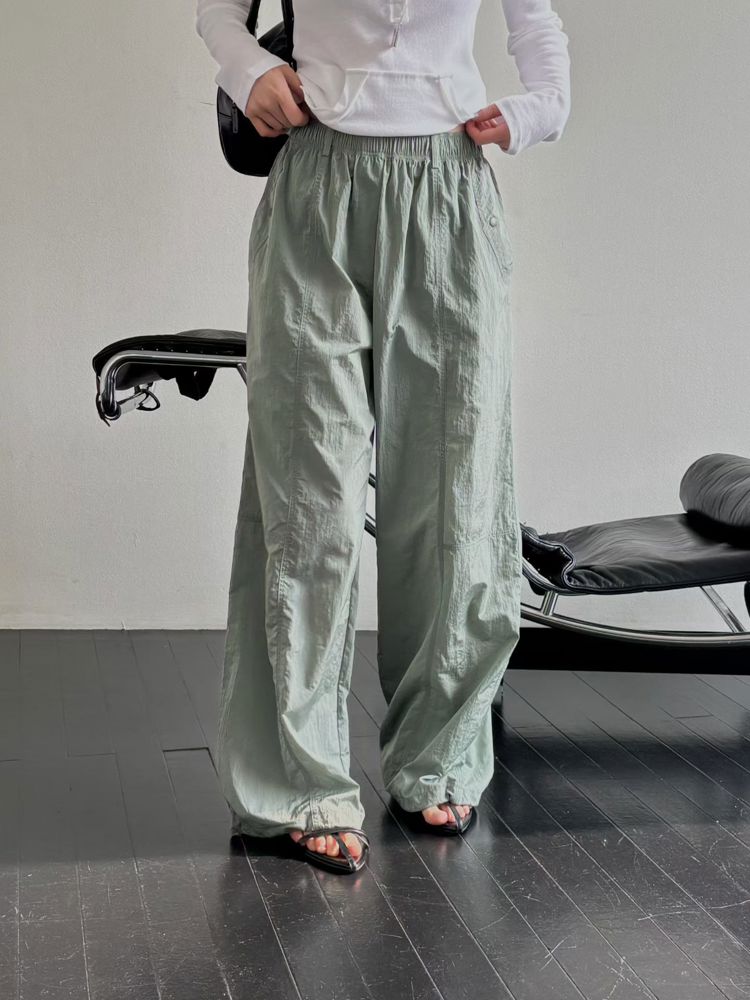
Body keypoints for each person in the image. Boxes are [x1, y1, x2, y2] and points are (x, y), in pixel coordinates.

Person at [195, 0, 571, 875]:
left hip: (448, 191)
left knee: (453, 492)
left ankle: (437, 757)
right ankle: (299, 783)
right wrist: (249, 71)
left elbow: (537, 24)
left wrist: (538, 110)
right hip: (317, 187)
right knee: (307, 496)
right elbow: (218, 11)